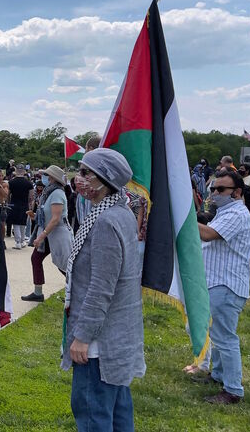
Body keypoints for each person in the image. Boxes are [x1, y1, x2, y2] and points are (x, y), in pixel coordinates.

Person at [62, 148, 144, 431]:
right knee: (118, 412)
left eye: (86, 173)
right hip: (114, 337)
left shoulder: (108, 221)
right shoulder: (118, 212)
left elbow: (101, 287)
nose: (78, 178)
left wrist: (82, 336)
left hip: (99, 343)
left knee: (92, 413)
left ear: (105, 179)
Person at [194, 170, 250, 404]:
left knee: (225, 338)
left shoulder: (237, 214)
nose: (215, 193)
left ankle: (233, 390)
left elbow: (208, 235)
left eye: (221, 190)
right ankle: (218, 375)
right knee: (218, 334)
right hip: (219, 283)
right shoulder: (226, 212)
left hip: (226, 284)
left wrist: (185, 218)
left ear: (237, 192)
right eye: (213, 189)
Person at [22, 165, 72, 302]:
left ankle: (76, 293)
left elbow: (56, 218)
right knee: (36, 259)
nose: (44, 178)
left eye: (47, 175)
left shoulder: (57, 193)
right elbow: (48, 216)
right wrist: (34, 217)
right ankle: (38, 293)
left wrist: (41, 236)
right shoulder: (48, 192)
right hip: (49, 233)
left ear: (52, 178)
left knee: (64, 265)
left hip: (57, 234)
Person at [7, 164, 32, 249]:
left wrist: (8, 202)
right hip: (24, 204)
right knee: (23, 223)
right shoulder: (29, 183)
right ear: (24, 171)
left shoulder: (11, 182)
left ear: (16, 171)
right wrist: (30, 204)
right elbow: (31, 197)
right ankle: (22, 241)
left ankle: (18, 242)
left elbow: (8, 194)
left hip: (14, 203)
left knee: (15, 223)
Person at [0, 168, 9, 250]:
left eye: (1, 176)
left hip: (1, 206)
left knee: (2, 225)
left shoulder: (4, 184)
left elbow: (5, 195)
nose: (0, 178)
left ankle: (2, 241)